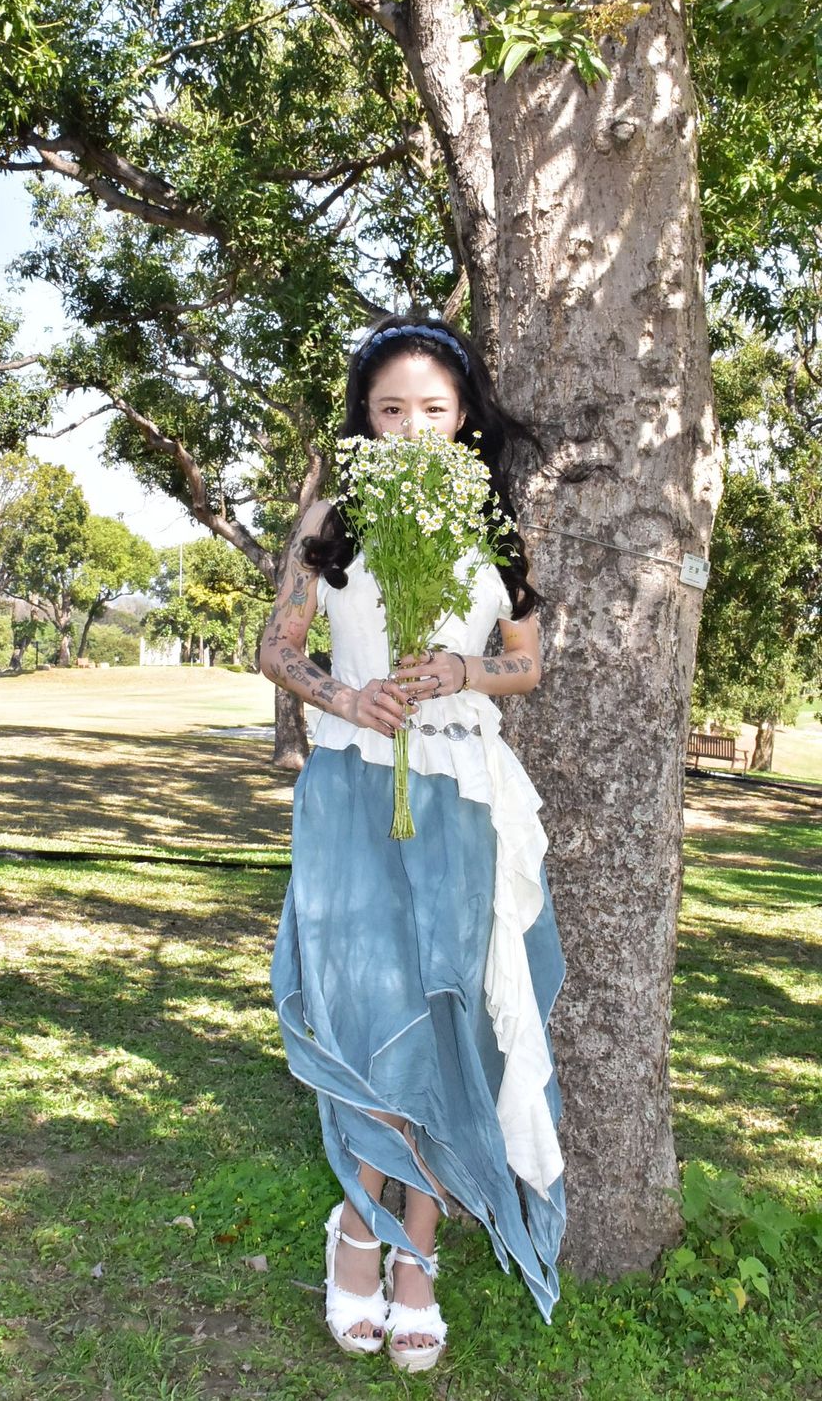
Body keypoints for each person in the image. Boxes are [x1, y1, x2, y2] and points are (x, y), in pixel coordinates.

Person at [259, 315, 566, 1373]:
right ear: (364, 421)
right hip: (350, 788)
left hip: (460, 797)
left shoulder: (494, 520)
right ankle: (358, 1223)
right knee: (366, 1012)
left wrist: (461, 672)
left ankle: (417, 1248)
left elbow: (525, 663)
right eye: (388, 410)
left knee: (450, 1022)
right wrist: (343, 693)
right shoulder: (330, 517)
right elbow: (276, 644)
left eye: (431, 408)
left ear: (465, 415)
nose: (410, 427)